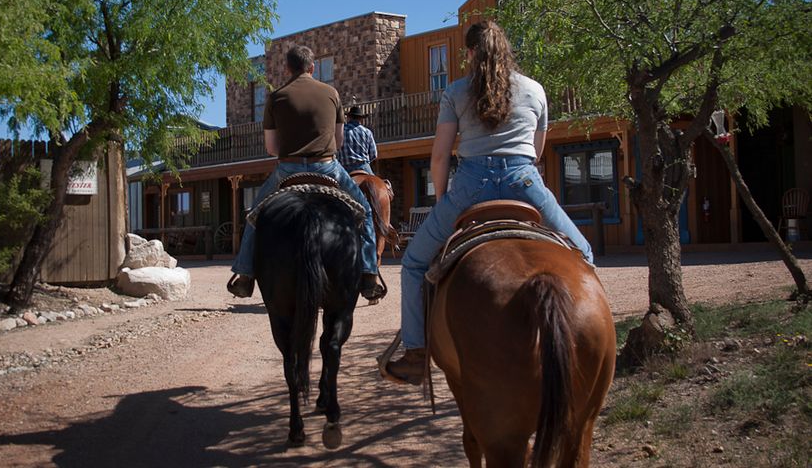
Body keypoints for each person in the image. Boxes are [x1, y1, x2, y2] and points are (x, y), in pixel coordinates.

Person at [385, 20, 593, 385]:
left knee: (415, 263)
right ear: (506, 49)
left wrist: (444, 198)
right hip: (524, 180)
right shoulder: (535, 90)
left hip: (469, 184)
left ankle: (416, 355)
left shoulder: (456, 91)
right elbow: (538, 150)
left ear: (468, 53)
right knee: (583, 253)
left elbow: (439, 157)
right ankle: (588, 344)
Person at [226, 45, 386, 301]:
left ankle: (245, 276)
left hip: (287, 168)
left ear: (287, 69)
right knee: (366, 210)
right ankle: (368, 274)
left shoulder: (275, 97)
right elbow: (339, 140)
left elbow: (271, 148)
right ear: (312, 68)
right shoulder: (332, 93)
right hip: (327, 166)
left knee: (254, 216)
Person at [337, 106, 378, 174]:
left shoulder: (341, 131)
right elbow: (374, 154)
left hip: (346, 169)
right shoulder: (367, 132)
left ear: (349, 118)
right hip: (364, 166)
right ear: (361, 119)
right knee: (381, 183)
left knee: (334, 184)